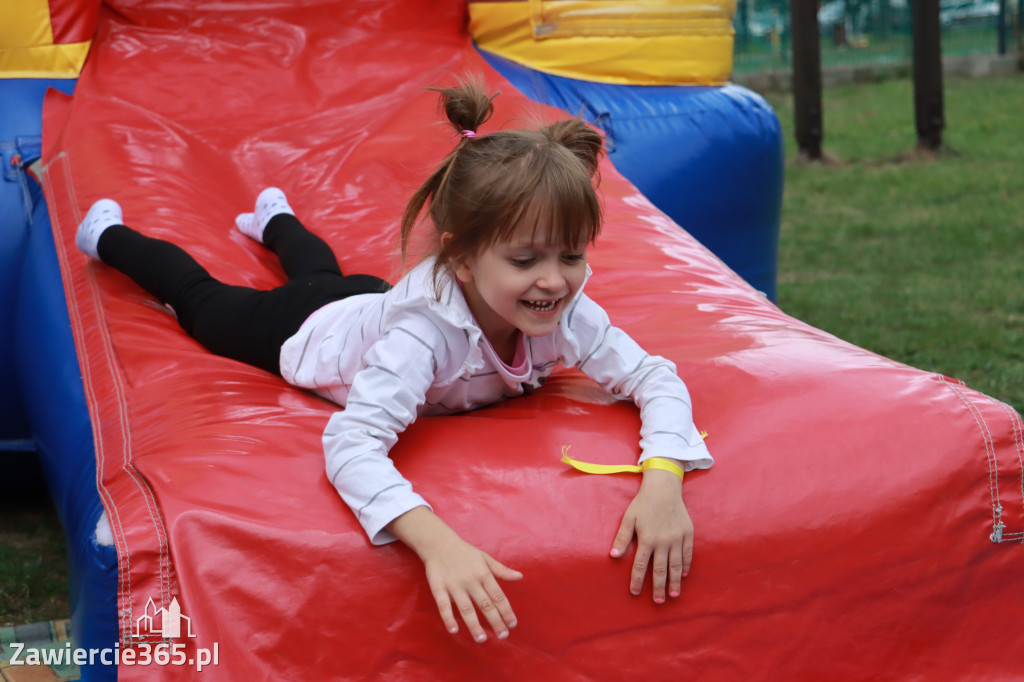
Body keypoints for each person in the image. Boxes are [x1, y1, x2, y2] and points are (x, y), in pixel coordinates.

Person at [76, 78, 713, 644]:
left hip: (372, 308)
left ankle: (275, 218)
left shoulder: (563, 312)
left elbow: (654, 375)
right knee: (205, 303)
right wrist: (437, 543)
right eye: (527, 261)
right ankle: (108, 237)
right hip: (309, 331)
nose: (555, 281)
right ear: (463, 259)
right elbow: (352, 445)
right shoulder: (422, 340)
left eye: (571, 257)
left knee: (326, 273)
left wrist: (662, 480)